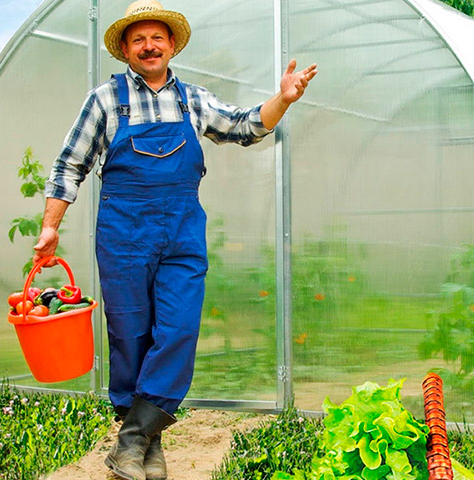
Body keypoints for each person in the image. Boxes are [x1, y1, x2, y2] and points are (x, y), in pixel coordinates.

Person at [31, 1, 317, 479]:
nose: (149, 46)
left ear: (170, 44)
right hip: (124, 235)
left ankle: (133, 438)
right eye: (138, 39)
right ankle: (147, 444)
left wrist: (283, 99)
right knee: (129, 336)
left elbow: (245, 126)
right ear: (125, 48)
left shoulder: (193, 100)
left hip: (182, 234)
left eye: (156, 38)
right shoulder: (105, 100)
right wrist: (50, 225)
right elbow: (69, 165)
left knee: (179, 330)